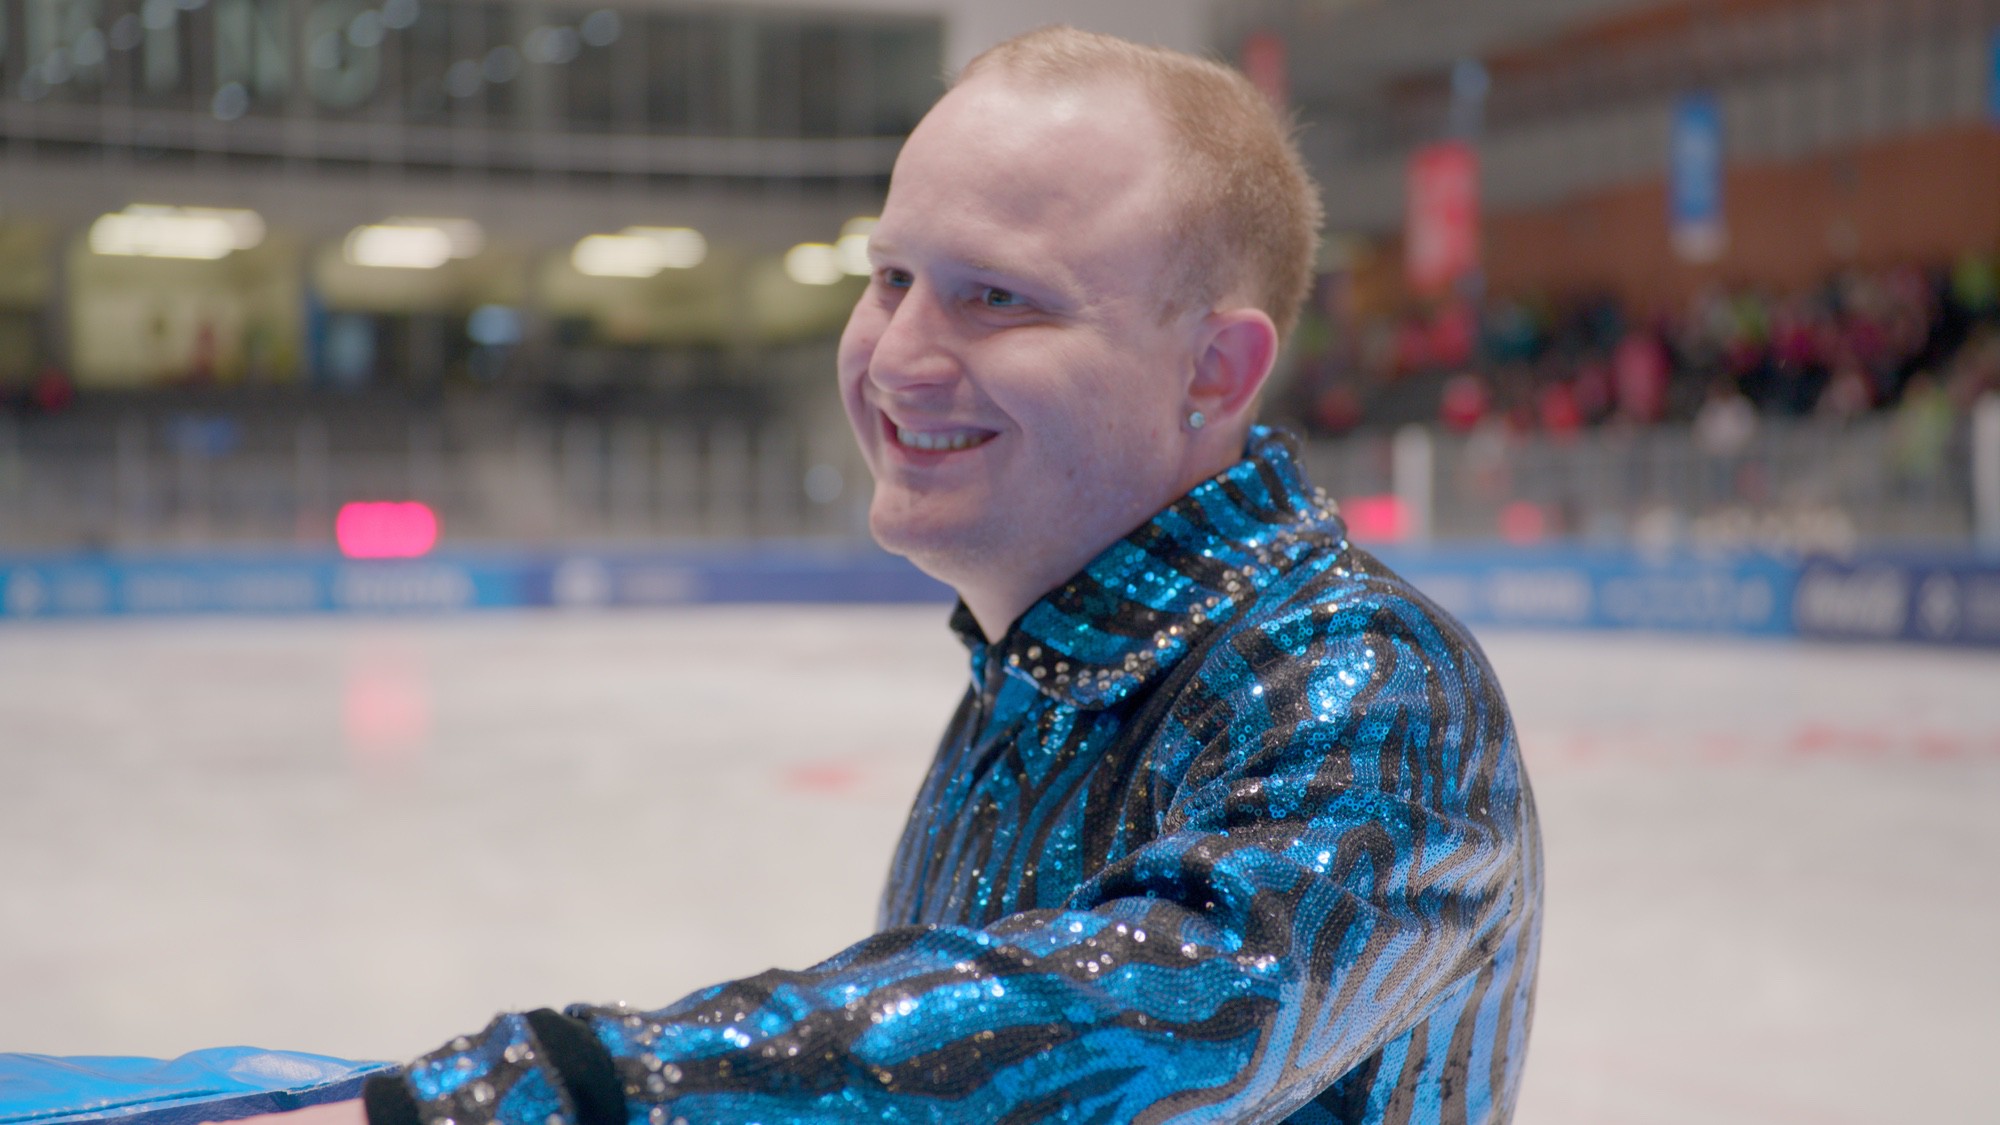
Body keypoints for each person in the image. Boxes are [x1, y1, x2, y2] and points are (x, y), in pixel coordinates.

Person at [238, 26, 1541, 1125]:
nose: (896, 355)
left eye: (998, 300)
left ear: (1213, 370)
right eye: (892, 277)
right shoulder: (1037, 666)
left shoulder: (1371, 691)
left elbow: (1133, 1017)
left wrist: (549, 1096)